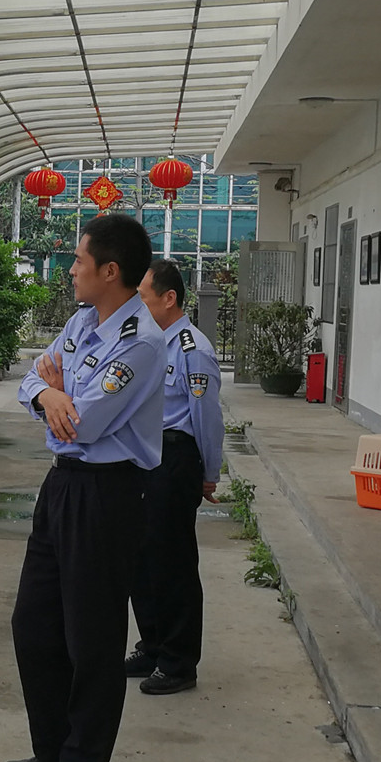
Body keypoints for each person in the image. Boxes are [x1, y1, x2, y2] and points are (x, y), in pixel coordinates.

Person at [5, 214, 164, 762]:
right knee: (34, 624)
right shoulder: (80, 322)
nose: (71, 270)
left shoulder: (140, 343)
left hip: (108, 493)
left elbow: (86, 424)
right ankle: (51, 749)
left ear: (110, 270)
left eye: (78, 260)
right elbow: (33, 383)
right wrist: (49, 392)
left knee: (91, 639)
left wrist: (57, 396)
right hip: (63, 485)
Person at [126, 258, 225, 694]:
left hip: (175, 457)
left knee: (172, 563)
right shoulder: (144, 342)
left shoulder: (191, 349)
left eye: (143, 298)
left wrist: (208, 472)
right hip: (142, 455)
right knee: (140, 558)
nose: (137, 306)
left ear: (169, 298)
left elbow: (207, 417)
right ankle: (152, 645)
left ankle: (179, 662)